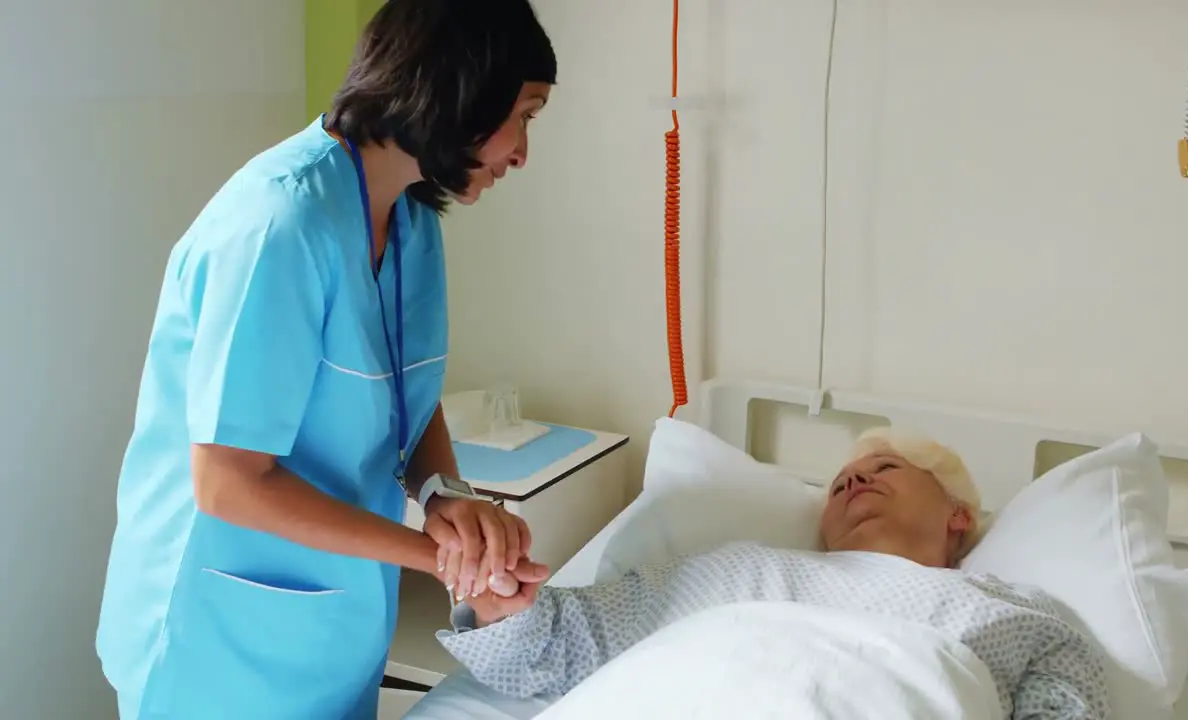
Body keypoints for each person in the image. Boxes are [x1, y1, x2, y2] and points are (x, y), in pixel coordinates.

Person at [95, 1, 556, 717]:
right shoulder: (277, 225)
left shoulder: (410, 221)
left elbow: (406, 391)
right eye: (525, 114)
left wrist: (448, 500)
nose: (524, 152)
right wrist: (440, 559)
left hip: (331, 620)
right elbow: (228, 483)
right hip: (218, 637)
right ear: (461, 87)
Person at [436, 427, 1111, 719]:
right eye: (843, 480)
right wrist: (503, 598)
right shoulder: (741, 572)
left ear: (959, 516)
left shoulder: (1013, 616)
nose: (855, 479)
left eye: (886, 470)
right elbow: (566, 646)